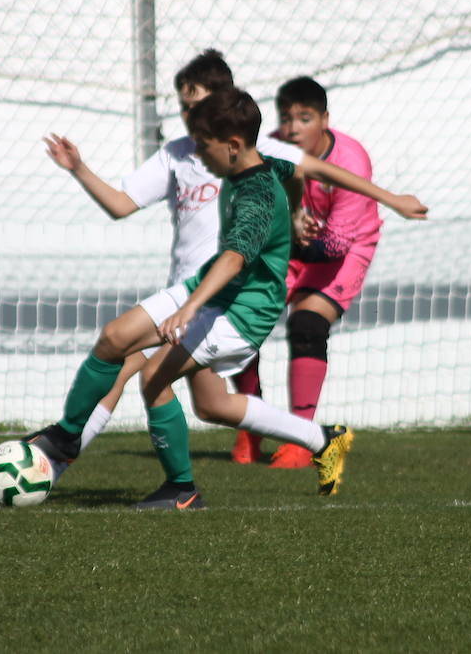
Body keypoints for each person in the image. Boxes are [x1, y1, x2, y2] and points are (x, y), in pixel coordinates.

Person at [41, 50, 426, 468]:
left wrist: (387, 199)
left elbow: (315, 171)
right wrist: (78, 168)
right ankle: (320, 439)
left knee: (127, 362)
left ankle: (56, 462)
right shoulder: (178, 154)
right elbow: (120, 204)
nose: (188, 115)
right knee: (211, 405)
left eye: (197, 105)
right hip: (188, 293)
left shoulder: (250, 155)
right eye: (184, 107)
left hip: (220, 300)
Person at [29, 86, 360, 508]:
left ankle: (182, 489)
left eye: (206, 147)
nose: (200, 157)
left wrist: (188, 308)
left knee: (154, 377)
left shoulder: (257, 195)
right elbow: (296, 174)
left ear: (235, 146)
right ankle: (66, 437)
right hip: (208, 292)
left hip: (242, 311)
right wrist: (296, 217)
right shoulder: (264, 166)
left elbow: (235, 259)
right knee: (128, 346)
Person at [231, 76, 383, 469]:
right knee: (242, 323)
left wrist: (296, 237)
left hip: (342, 252)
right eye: (287, 118)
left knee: (307, 324)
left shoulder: (351, 161)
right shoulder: (268, 150)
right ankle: (251, 425)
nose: (294, 127)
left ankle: (302, 439)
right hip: (293, 248)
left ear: (325, 120)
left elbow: (334, 245)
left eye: (305, 117)